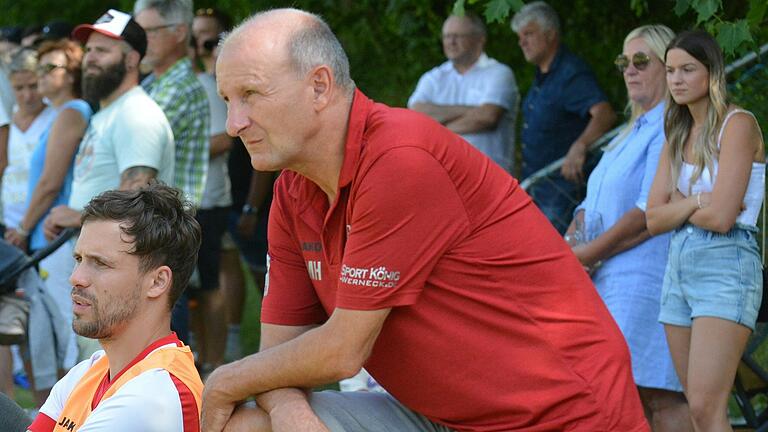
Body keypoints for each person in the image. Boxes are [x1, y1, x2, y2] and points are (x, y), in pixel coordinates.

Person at [202, 8, 648, 432]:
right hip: (444, 415)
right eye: (227, 99)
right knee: (247, 423)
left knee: (234, 401)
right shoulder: (294, 190)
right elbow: (277, 355)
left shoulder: (399, 159)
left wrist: (223, 381)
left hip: (555, 413)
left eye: (251, 95)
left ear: (320, 86)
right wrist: (288, 411)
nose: (235, 122)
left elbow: (342, 351)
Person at [567, 25, 692, 432]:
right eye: (624, 62)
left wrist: (587, 254)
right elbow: (588, 205)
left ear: (666, 66)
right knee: (627, 396)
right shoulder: (628, 133)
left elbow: (646, 213)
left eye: (642, 61)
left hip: (647, 279)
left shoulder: (671, 124)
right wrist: (572, 243)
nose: (630, 70)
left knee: (659, 394)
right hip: (609, 281)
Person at [647, 30, 765, 431]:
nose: (676, 79)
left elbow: (722, 218)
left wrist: (680, 203)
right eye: (669, 71)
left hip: (726, 262)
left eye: (687, 69)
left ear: (712, 73)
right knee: (696, 410)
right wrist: (699, 200)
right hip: (678, 266)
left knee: (705, 407)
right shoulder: (676, 134)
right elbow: (652, 219)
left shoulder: (738, 125)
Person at [43, 9, 176, 361]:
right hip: (101, 274)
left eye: (103, 51)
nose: (90, 59)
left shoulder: (136, 114)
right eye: (89, 51)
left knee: (115, 379)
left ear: (132, 59)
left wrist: (76, 217)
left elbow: (138, 195)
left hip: (124, 282)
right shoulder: (110, 113)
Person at [24, 183, 203, 432]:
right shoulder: (92, 369)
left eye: (100, 263)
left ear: (157, 282)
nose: (76, 277)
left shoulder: (153, 396)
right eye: (79, 259)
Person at [133, 0, 211, 348]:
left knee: (160, 335)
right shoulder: (153, 83)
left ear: (180, 33)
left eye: (148, 32)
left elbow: (133, 143)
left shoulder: (180, 87)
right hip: (150, 222)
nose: (140, 41)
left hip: (164, 227)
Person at [511, 1, 615, 233]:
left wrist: (580, 145)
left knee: (554, 257)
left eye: (528, 34)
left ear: (550, 34)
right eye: (520, 36)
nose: (522, 42)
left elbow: (604, 113)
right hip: (538, 187)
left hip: (560, 190)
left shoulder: (570, 72)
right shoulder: (542, 76)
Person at [0, 47, 56, 405]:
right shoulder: (10, 121)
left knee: (42, 319)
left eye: (33, 85)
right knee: (8, 317)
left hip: (37, 228)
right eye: (19, 88)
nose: (27, 95)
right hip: (7, 224)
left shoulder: (55, 119)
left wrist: (25, 225)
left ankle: (49, 398)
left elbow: (52, 178)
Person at [408, 13, 518, 172]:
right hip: (443, 179)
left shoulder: (499, 73)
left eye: (458, 36)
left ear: (480, 39)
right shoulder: (433, 78)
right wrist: (472, 110)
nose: (451, 42)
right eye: (447, 36)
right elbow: (416, 113)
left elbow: (487, 117)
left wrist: (436, 131)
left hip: (491, 181)